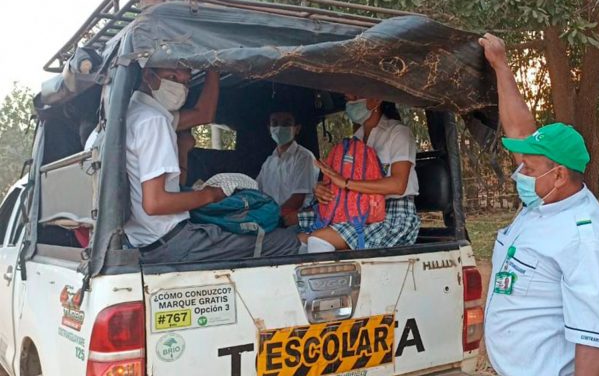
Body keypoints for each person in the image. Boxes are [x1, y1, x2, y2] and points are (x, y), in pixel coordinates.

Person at [479, 33, 599, 376]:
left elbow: (592, 341)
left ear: (559, 175)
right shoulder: (543, 203)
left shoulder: (583, 238)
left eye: (528, 166)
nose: (519, 172)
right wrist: (501, 65)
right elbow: (519, 130)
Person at [124, 67, 300, 263]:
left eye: (186, 82)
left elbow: (202, 115)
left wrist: (213, 67)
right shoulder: (153, 121)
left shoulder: (133, 113)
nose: (180, 87)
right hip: (176, 240)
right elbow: (155, 203)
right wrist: (212, 194)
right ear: (148, 76)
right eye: (172, 77)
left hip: (146, 243)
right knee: (287, 241)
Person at [299, 95, 420, 252]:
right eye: (347, 98)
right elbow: (341, 182)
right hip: (360, 210)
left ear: (376, 99)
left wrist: (347, 183)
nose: (350, 102)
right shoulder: (356, 139)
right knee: (301, 238)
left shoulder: (398, 133)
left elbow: (398, 185)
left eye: (355, 96)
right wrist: (322, 189)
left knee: (318, 239)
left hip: (393, 215)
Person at [256, 110, 318, 226]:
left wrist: (271, 217)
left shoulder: (304, 157)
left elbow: (298, 199)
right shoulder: (269, 162)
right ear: (269, 129)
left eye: (286, 124)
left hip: (295, 222)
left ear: (297, 129)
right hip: (269, 220)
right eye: (275, 124)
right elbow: (257, 192)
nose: (279, 128)